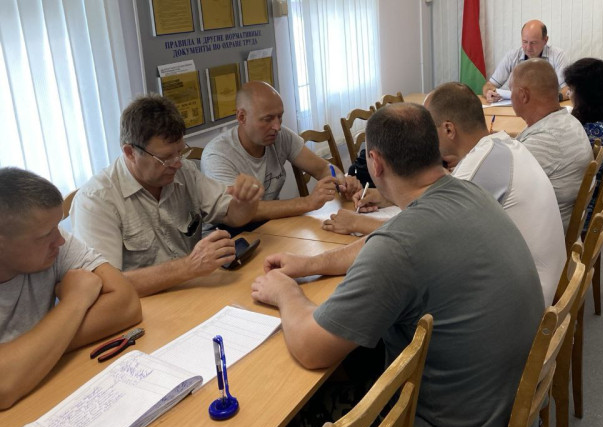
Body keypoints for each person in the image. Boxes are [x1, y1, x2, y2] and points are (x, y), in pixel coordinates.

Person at [251, 104, 544, 427]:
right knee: (361, 355)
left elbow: (310, 347)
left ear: (375, 163)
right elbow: (386, 239)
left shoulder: (400, 246)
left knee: (282, 419)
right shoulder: (468, 192)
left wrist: (285, 292)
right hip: (502, 410)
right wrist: (311, 264)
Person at [323, 82, 565, 303]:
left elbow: (414, 233)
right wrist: (385, 197)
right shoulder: (499, 146)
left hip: (529, 301)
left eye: (428, 129)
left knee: (395, 298)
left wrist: (357, 222)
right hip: (537, 282)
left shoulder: (476, 170)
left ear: (449, 129)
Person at [71, 95, 266, 297]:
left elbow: (234, 216)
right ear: (130, 152)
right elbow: (105, 285)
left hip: (191, 291)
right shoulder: (96, 200)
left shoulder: (183, 172)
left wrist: (246, 201)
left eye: (180, 152)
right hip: (143, 304)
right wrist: (190, 266)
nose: (177, 163)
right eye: (165, 158)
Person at [0, 168, 141, 410]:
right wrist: (75, 300)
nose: (61, 240)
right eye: (46, 234)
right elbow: (3, 387)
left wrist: (32, 355)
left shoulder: (53, 244)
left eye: (58, 225)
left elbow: (127, 303)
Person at [202, 82, 362, 217]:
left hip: (273, 226)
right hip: (231, 235)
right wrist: (307, 202)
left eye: (280, 117)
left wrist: (342, 181)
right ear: (242, 117)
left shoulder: (281, 136)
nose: (277, 126)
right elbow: (237, 211)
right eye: (268, 119)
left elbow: (322, 168)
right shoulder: (217, 155)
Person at [510, 59, 593, 231]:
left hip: (541, 236)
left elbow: (499, 188)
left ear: (523, 95)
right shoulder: (566, 121)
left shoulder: (546, 140)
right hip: (554, 225)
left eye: (511, 90)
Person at [564, 57, 603, 212]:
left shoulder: (593, 132)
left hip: (584, 205)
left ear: (586, 95)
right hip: (598, 192)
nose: (568, 94)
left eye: (572, 89)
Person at [483, 19, 569, 102]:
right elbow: (489, 85)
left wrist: (550, 99)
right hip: (517, 107)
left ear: (545, 40)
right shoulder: (512, 56)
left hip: (548, 107)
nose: (528, 48)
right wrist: (489, 92)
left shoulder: (558, 56)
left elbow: (567, 90)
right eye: (524, 42)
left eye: (533, 43)